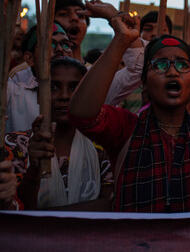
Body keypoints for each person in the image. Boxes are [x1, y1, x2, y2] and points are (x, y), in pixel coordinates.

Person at [68, 13, 190, 212]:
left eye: (183, 65)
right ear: (144, 83)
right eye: (160, 64)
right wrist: (121, 39)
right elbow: (81, 113)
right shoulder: (125, 129)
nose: (173, 72)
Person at [6, 57, 114, 210]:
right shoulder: (14, 145)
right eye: (53, 87)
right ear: (38, 95)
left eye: (75, 87)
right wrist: (34, 169)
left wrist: (45, 216)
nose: (65, 96)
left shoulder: (102, 147)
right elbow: (16, 208)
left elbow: (108, 205)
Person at [5, 23, 73, 132]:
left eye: (66, 45)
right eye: (49, 45)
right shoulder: (13, 95)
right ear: (30, 58)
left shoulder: (85, 93)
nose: (60, 49)